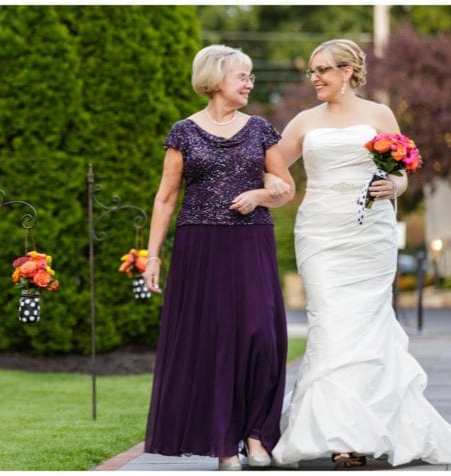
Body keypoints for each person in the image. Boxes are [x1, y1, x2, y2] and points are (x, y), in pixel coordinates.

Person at [269, 39, 451, 468]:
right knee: (331, 323)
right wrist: (276, 190)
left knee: (367, 326)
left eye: (322, 70)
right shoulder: (303, 121)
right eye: (312, 71)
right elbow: (274, 166)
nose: (314, 78)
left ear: (347, 72)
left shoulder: (379, 116)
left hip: (369, 234)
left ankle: (356, 435)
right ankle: (333, 430)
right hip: (319, 231)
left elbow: (403, 175)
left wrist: (393, 186)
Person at [141, 45, 296, 471]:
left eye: (250, 76)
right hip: (200, 247)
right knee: (214, 344)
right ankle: (226, 445)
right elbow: (166, 197)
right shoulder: (183, 132)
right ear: (214, 79)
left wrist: (260, 195)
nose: (250, 83)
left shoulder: (262, 129)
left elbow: (286, 187)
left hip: (252, 241)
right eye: (242, 76)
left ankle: (258, 434)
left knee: (262, 336)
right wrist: (152, 257)